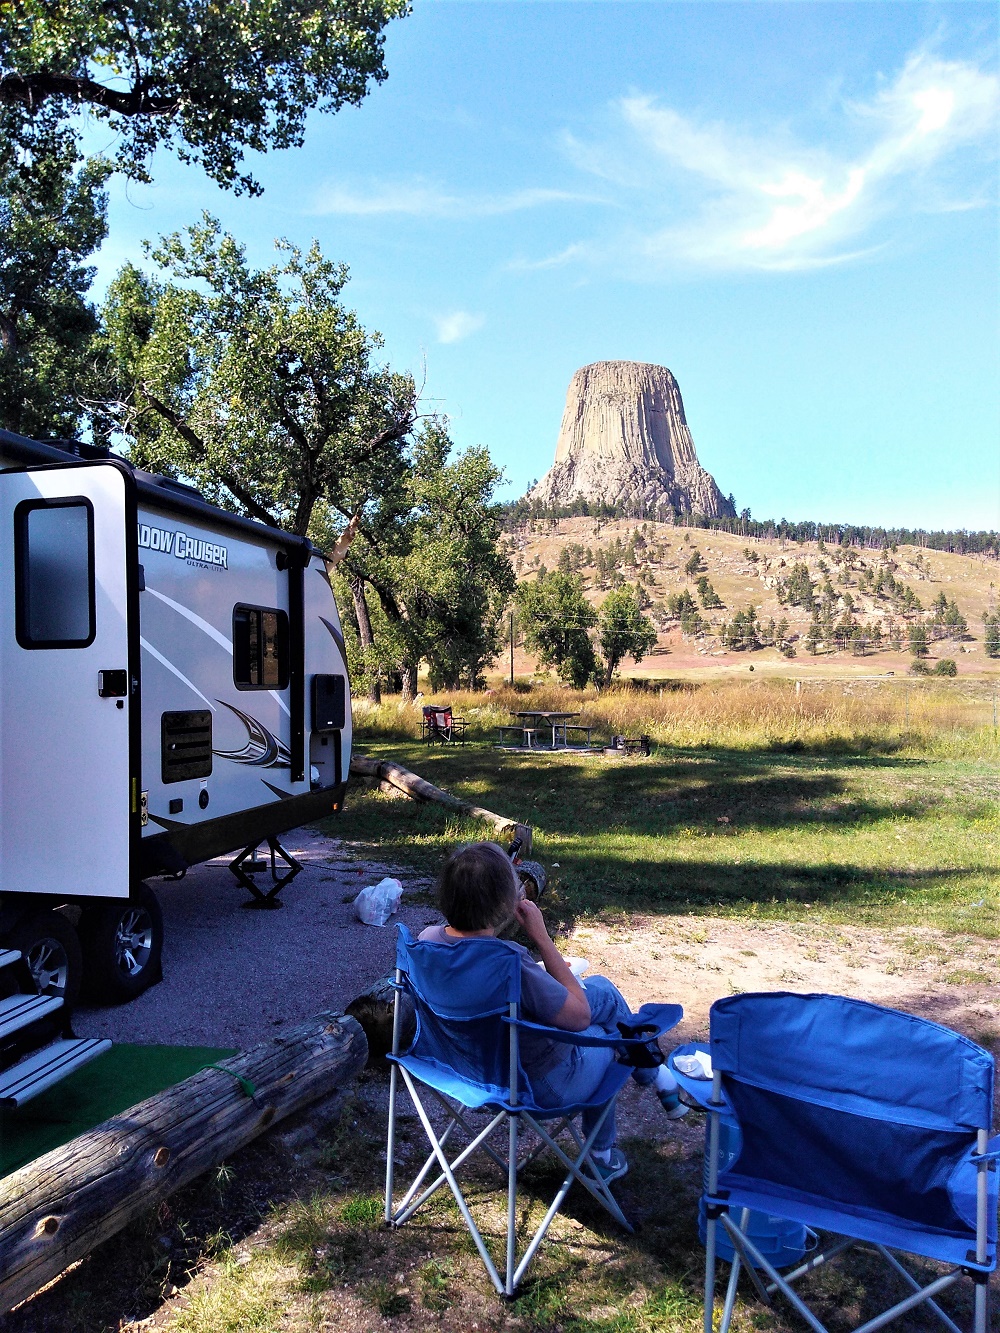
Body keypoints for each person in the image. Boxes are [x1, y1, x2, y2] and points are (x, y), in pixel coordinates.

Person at [418, 841, 686, 1183]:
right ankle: (608, 1146)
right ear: (504, 904)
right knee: (611, 1035)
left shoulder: (426, 942)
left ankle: (658, 1077)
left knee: (601, 989)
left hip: (463, 1072)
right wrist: (543, 939)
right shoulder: (509, 962)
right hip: (536, 1085)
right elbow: (579, 1018)